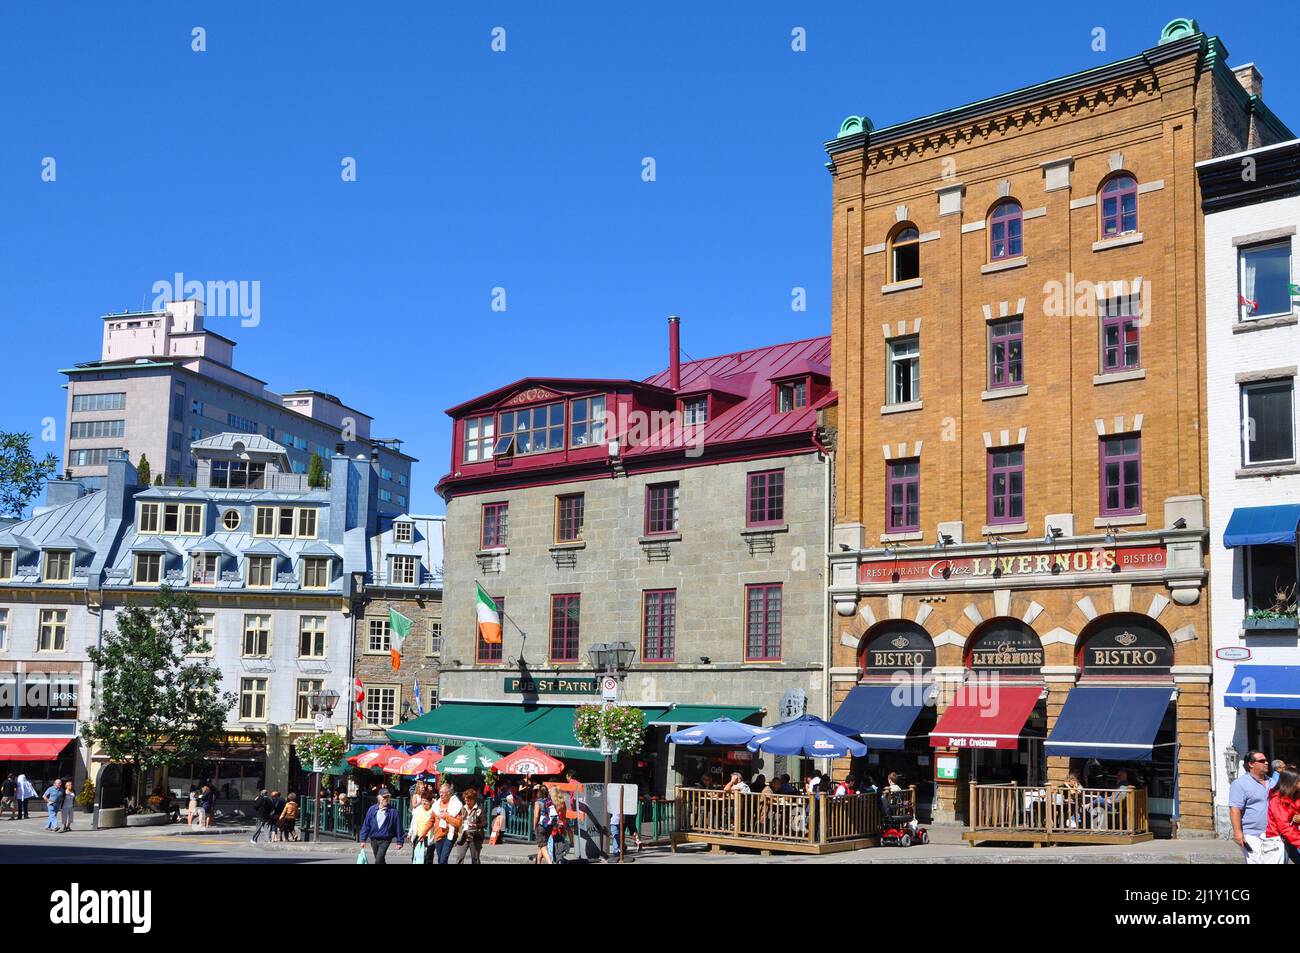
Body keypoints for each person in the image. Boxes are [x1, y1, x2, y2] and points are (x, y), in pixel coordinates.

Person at [1230, 749, 1274, 863]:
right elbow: (1235, 809)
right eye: (1262, 761)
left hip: (1273, 834)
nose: (1266, 763)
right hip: (1251, 835)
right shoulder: (1240, 784)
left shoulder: (1273, 782)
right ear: (1251, 764)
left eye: (1266, 760)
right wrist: (1238, 833)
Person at [358, 788, 404, 864]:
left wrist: (400, 842)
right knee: (380, 860)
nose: (386, 799)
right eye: (384, 797)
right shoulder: (372, 810)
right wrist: (363, 840)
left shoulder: (393, 812)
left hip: (385, 840)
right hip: (374, 839)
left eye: (387, 797)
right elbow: (366, 825)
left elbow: (398, 827)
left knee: (378, 860)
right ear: (379, 798)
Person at [1265, 768, 1300, 865]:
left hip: (1291, 839)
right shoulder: (1277, 799)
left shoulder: (1294, 796)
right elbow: (1284, 826)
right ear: (1291, 782)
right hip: (1279, 841)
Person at [430, 781, 463, 864]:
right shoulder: (436, 805)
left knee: (443, 859)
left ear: (448, 793)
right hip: (438, 835)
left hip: (449, 835)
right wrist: (423, 833)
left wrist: (446, 816)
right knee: (440, 860)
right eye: (440, 792)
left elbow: (458, 823)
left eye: (443, 792)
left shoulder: (456, 804)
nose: (440, 794)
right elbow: (431, 820)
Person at [451, 788, 487, 864]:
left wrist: (476, 825)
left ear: (473, 799)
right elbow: (458, 820)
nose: (466, 802)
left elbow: (484, 823)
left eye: (468, 800)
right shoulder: (462, 808)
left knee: (475, 858)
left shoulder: (479, 809)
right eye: (465, 800)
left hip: (475, 837)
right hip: (463, 836)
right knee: (460, 857)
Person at [407, 786, 436, 863]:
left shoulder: (434, 811)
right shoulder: (418, 809)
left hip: (429, 838)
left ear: (430, 802)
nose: (424, 803)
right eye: (422, 800)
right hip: (418, 836)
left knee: (427, 859)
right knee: (416, 857)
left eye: (426, 801)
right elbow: (413, 822)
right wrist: (410, 833)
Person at [533, 785, 558, 864]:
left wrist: (534, 826)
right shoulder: (550, 801)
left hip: (541, 826)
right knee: (541, 845)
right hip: (549, 826)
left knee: (543, 847)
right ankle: (538, 862)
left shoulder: (538, 802)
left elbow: (536, 815)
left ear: (539, 792)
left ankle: (550, 863)